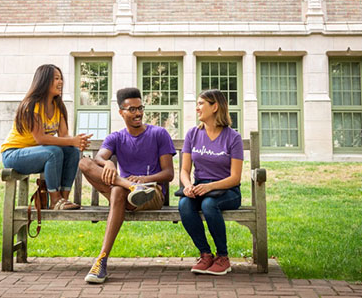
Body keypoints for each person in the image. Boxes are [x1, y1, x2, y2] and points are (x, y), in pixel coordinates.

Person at [79, 87, 176, 283]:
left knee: (117, 192)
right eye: (132, 109)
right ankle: (128, 186)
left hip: (152, 192)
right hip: (127, 192)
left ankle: (101, 260)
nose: (138, 113)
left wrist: (143, 180)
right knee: (84, 163)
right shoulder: (116, 137)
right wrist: (108, 163)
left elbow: (169, 174)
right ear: (121, 112)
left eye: (140, 108)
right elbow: (97, 158)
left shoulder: (159, 134)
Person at [0, 64, 92, 210]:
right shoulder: (32, 105)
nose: (60, 82)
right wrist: (71, 140)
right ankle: (55, 200)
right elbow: (40, 139)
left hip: (37, 154)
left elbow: (63, 136)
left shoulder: (58, 107)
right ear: (44, 81)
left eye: (61, 78)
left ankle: (63, 199)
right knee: (53, 152)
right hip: (14, 154)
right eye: (56, 78)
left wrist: (76, 143)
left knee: (71, 152)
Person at [179, 89, 244, 275]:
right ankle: (206, 254)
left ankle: (223, 257)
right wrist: (188, 186)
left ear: (215, 106)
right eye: (197, 104)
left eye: (201, 103)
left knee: (209, 204)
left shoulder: (233, 138)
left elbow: (235, 178)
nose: (197, 108)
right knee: (184, 204)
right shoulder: (193, 134)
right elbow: (184, 170)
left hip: (227, 191)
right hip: (200, 187)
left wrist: (210, 186)